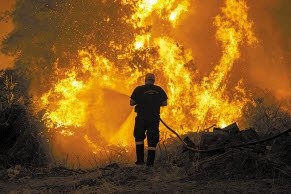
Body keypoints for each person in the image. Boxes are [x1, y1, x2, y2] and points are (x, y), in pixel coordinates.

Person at [130, 73, 168, 166]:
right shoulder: (158, 90)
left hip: (141, 118)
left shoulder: (139, 89)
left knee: (139, 138)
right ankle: (150, 164)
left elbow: (131, 102)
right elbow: (165, 103)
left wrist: (142, 101)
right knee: (152, 141)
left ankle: (140, 161)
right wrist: (154, 103)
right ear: (154, 80)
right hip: (154, 119)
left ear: (145, 80)